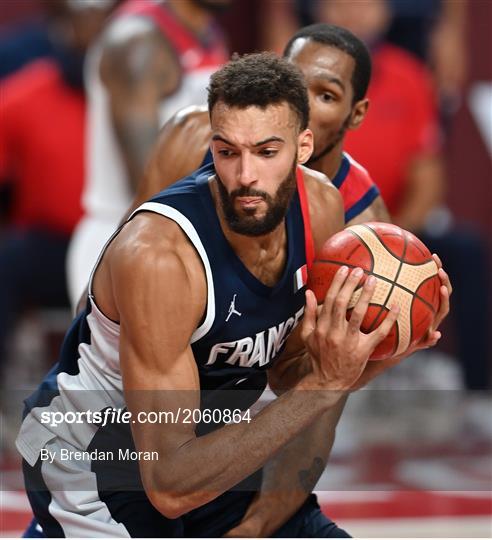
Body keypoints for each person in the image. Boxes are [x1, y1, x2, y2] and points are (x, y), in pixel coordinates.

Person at [17, 53, 450, 538]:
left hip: (211, 448)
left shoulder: (323, 209)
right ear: (212, 146)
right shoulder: (160, 256)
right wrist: (323, 384)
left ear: (303, 146)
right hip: (98, 467)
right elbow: (170, 486)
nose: (246, 176)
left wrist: (379, 352)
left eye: (267, 152)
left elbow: (290, 377)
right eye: (228, 152)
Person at [131, 23, 389, 230]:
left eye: (326, 96)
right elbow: (123, 257)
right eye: (294, 82)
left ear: (356, 114)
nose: (303, 105)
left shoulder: (361, 220)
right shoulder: (191, 135)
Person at [66, 0, 229, 309]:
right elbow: (147, 184)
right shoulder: (136, 42)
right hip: (131, 237)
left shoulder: (207, 30)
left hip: (189, 237)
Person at [0, 1, 113, 369]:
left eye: (101, 20)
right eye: (81, 20)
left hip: (124, 241)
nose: (92, 33)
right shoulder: (23, 96)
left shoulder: (139, 94)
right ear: (62, 24)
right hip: (52, 246)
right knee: (8, 260)